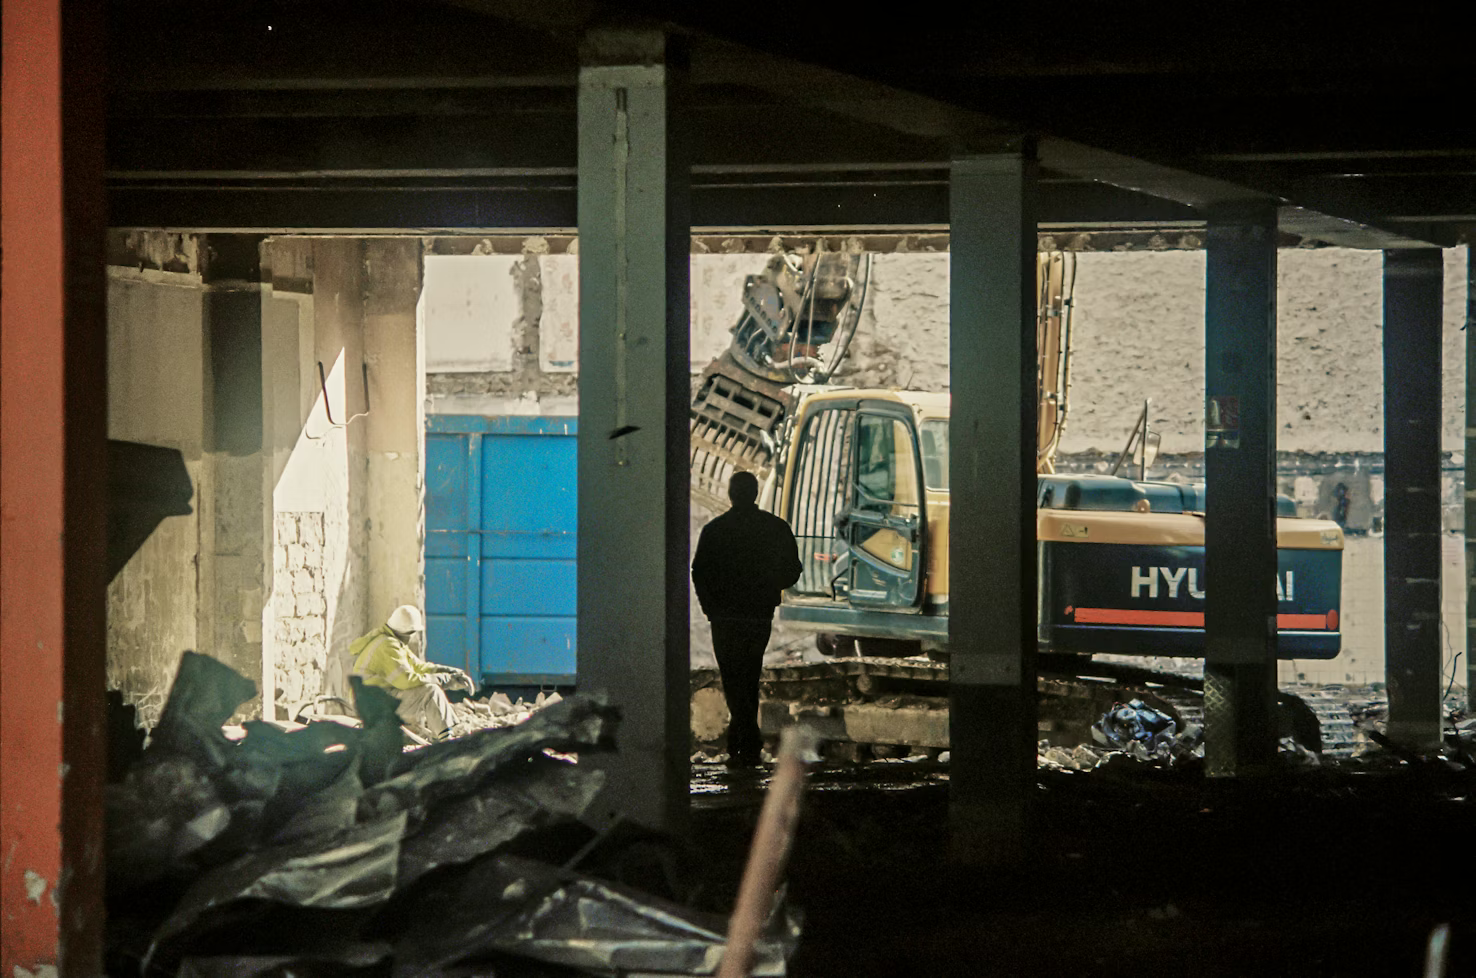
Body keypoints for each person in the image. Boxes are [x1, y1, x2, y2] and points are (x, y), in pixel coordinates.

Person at [691, 471, 803, 767]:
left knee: (732, 675)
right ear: (755, 493)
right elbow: (793, 569)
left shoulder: (715, 530)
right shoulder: (775, 528)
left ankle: (743, 738)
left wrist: (709, 606)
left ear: (731, 494)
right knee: (750, 673)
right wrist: (768, 587)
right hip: (757, 615)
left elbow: (699, 572)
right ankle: (747, 739)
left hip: (724, 617)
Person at [349, 604, 475, 742]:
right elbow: (406, 680)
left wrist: (450, 672)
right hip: (371, 706)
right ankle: (445, 741)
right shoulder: (387, 646)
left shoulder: (392, 641)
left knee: (429, 687)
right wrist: (443, 680)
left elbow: (418, 666)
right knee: (430, 691)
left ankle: (442, 734)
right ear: (408, 632)